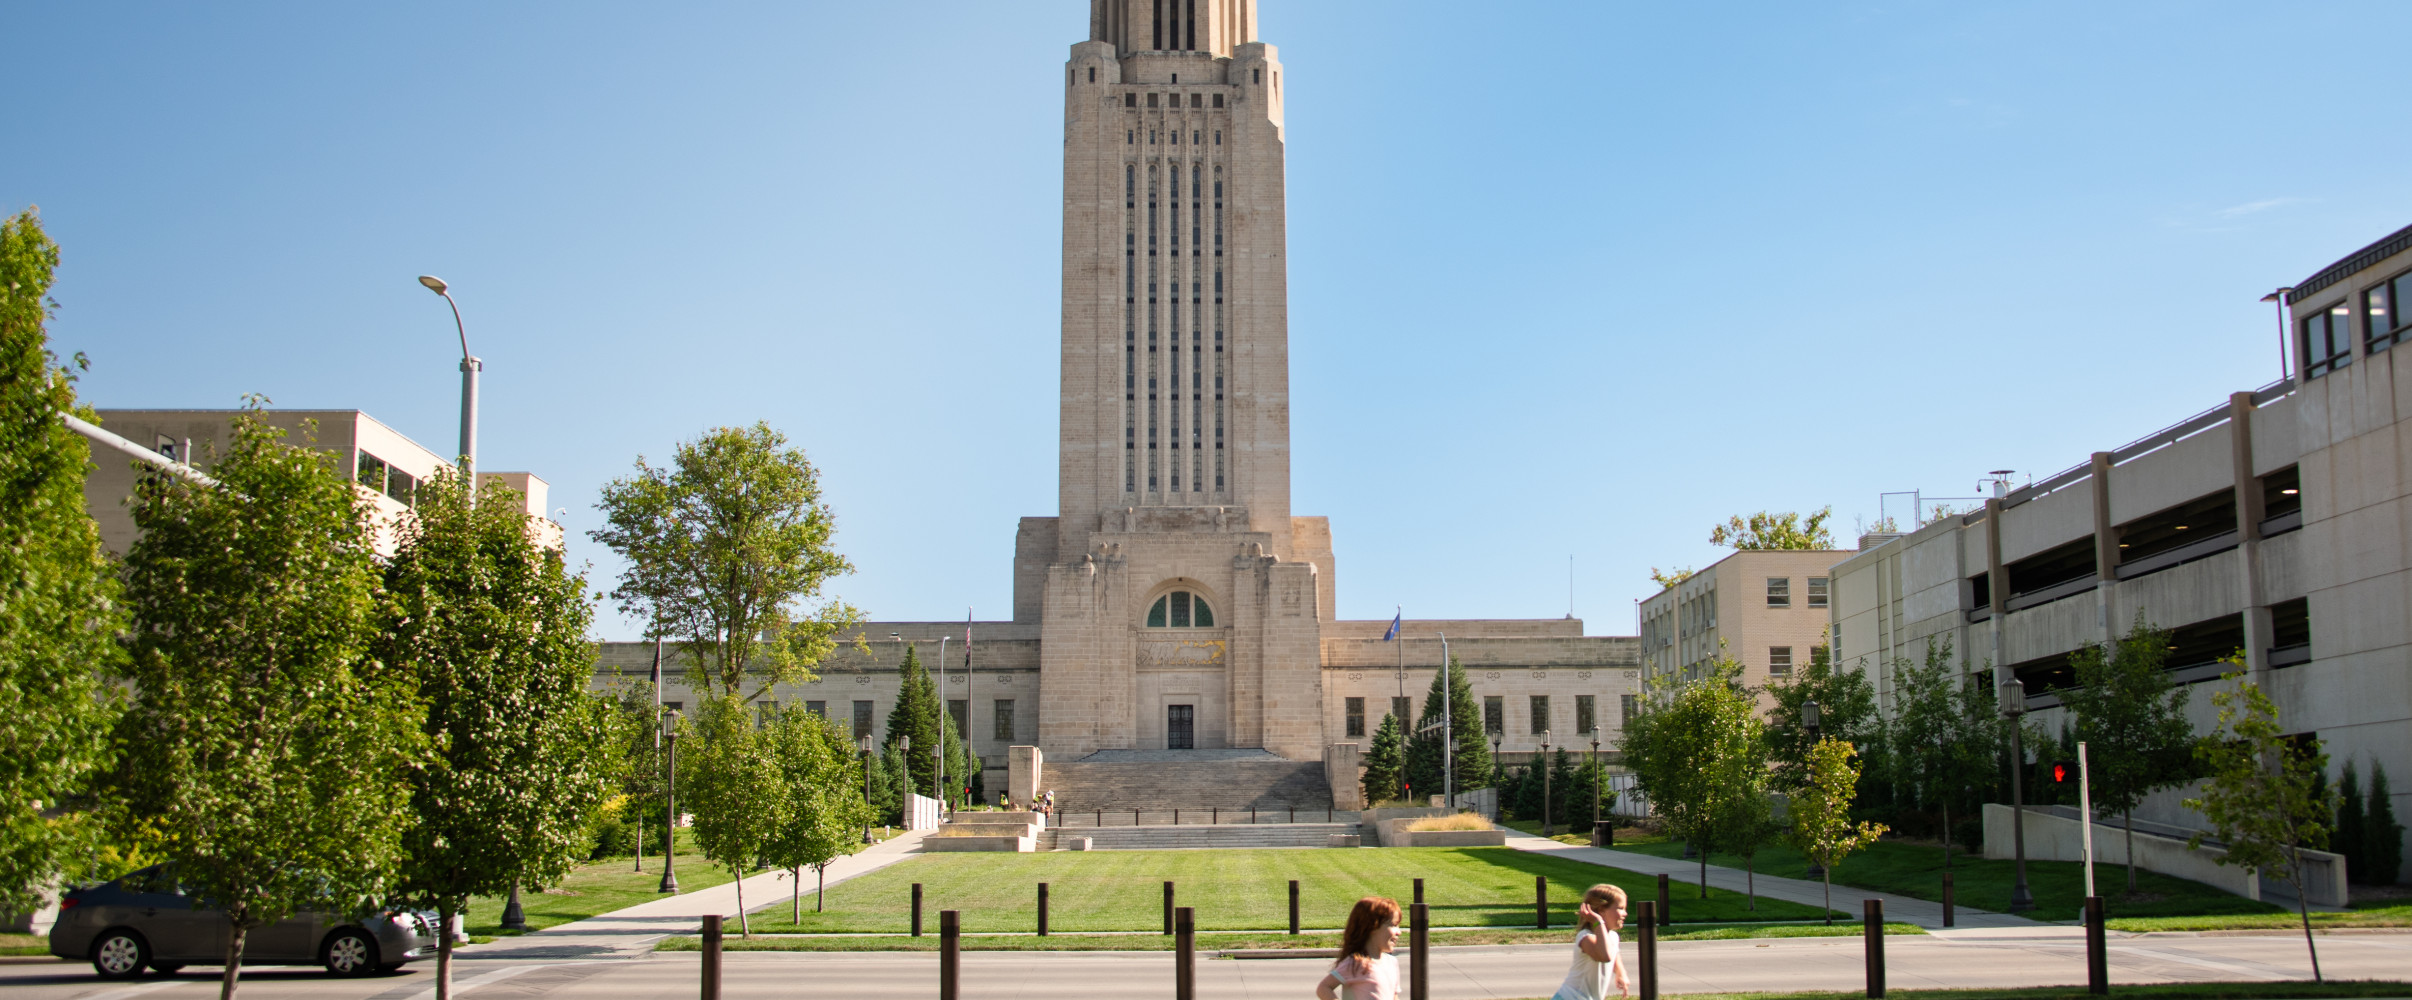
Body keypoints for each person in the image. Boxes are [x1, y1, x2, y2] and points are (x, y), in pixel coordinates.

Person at [1551, 884, 1629, 1000]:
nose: (1625, 913)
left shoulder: (1612, 936)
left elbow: (1614, 953)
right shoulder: (1586, 937)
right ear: (1601, 910)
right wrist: (1597, 922)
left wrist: (1620, 973)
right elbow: (1605, 956)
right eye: (1621, 908)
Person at [1315, 896, 1402, 1000]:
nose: (1399, 932)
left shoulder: (1391, 962)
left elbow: (1394, 996)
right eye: (1393, 925)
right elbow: (1324, 988)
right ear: (1372, 926)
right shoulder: (1356, 963)